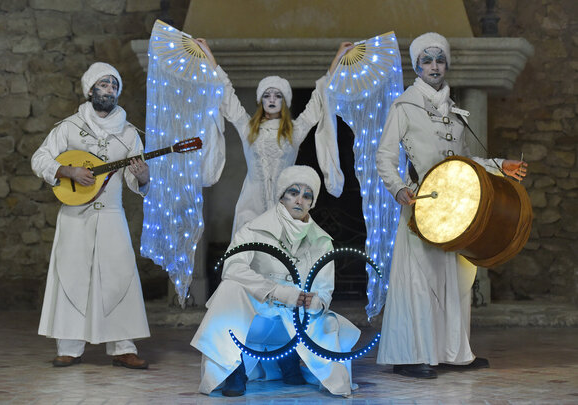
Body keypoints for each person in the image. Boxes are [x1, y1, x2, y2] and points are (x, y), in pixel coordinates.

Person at [375, 32, 527, 379]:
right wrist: (399, 188)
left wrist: (501, 164)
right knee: (420, 279)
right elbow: (383, 156)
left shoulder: (456, 112)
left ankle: (454, 352)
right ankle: (412, 354)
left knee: (458, 276)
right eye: (426, 60)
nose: (433, 66)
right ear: (416, 66)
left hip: (457, 208)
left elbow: (466, 160)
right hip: (422, 204)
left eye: (439, 60)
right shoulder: (404, 106)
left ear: (446, 65)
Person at [191, 165, 360, 397]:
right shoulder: (253, 229)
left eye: (307, 195)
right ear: (281, 195)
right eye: (293, 192)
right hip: (257, 319)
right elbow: (232, 266)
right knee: (229, 289)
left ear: (312, 203)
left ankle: (291, 359)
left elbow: (324, 289)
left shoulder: (321, 241)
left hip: (295, 321)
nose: (299, 200)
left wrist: (315, 301)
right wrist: (275, 291)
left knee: (327, 322)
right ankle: (234, 369)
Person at [31, 62, 151, 369]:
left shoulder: (127, 133)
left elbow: (133, 180)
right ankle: (69, 346)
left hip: (112, 214)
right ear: (90, 90)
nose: (109, 89)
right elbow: (40, 158)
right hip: (75, 214)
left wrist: (143, 176)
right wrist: (67, 170)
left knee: (118, 277)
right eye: (104, 84)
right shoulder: (69, 127)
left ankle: (123, 347)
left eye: (114, 85)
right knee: (71, 276)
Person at [195, 39, 352, 236]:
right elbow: (226, 94)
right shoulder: (249, 128)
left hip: (285, 209)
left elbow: (318, 100)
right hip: (250, 209)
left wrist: (337, 59)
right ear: (260, 101)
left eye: (277, 96)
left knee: (281, 262)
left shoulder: (294, 130)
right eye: (267, 95)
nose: (271, 99)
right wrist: (209, 56)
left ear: (284, 102)